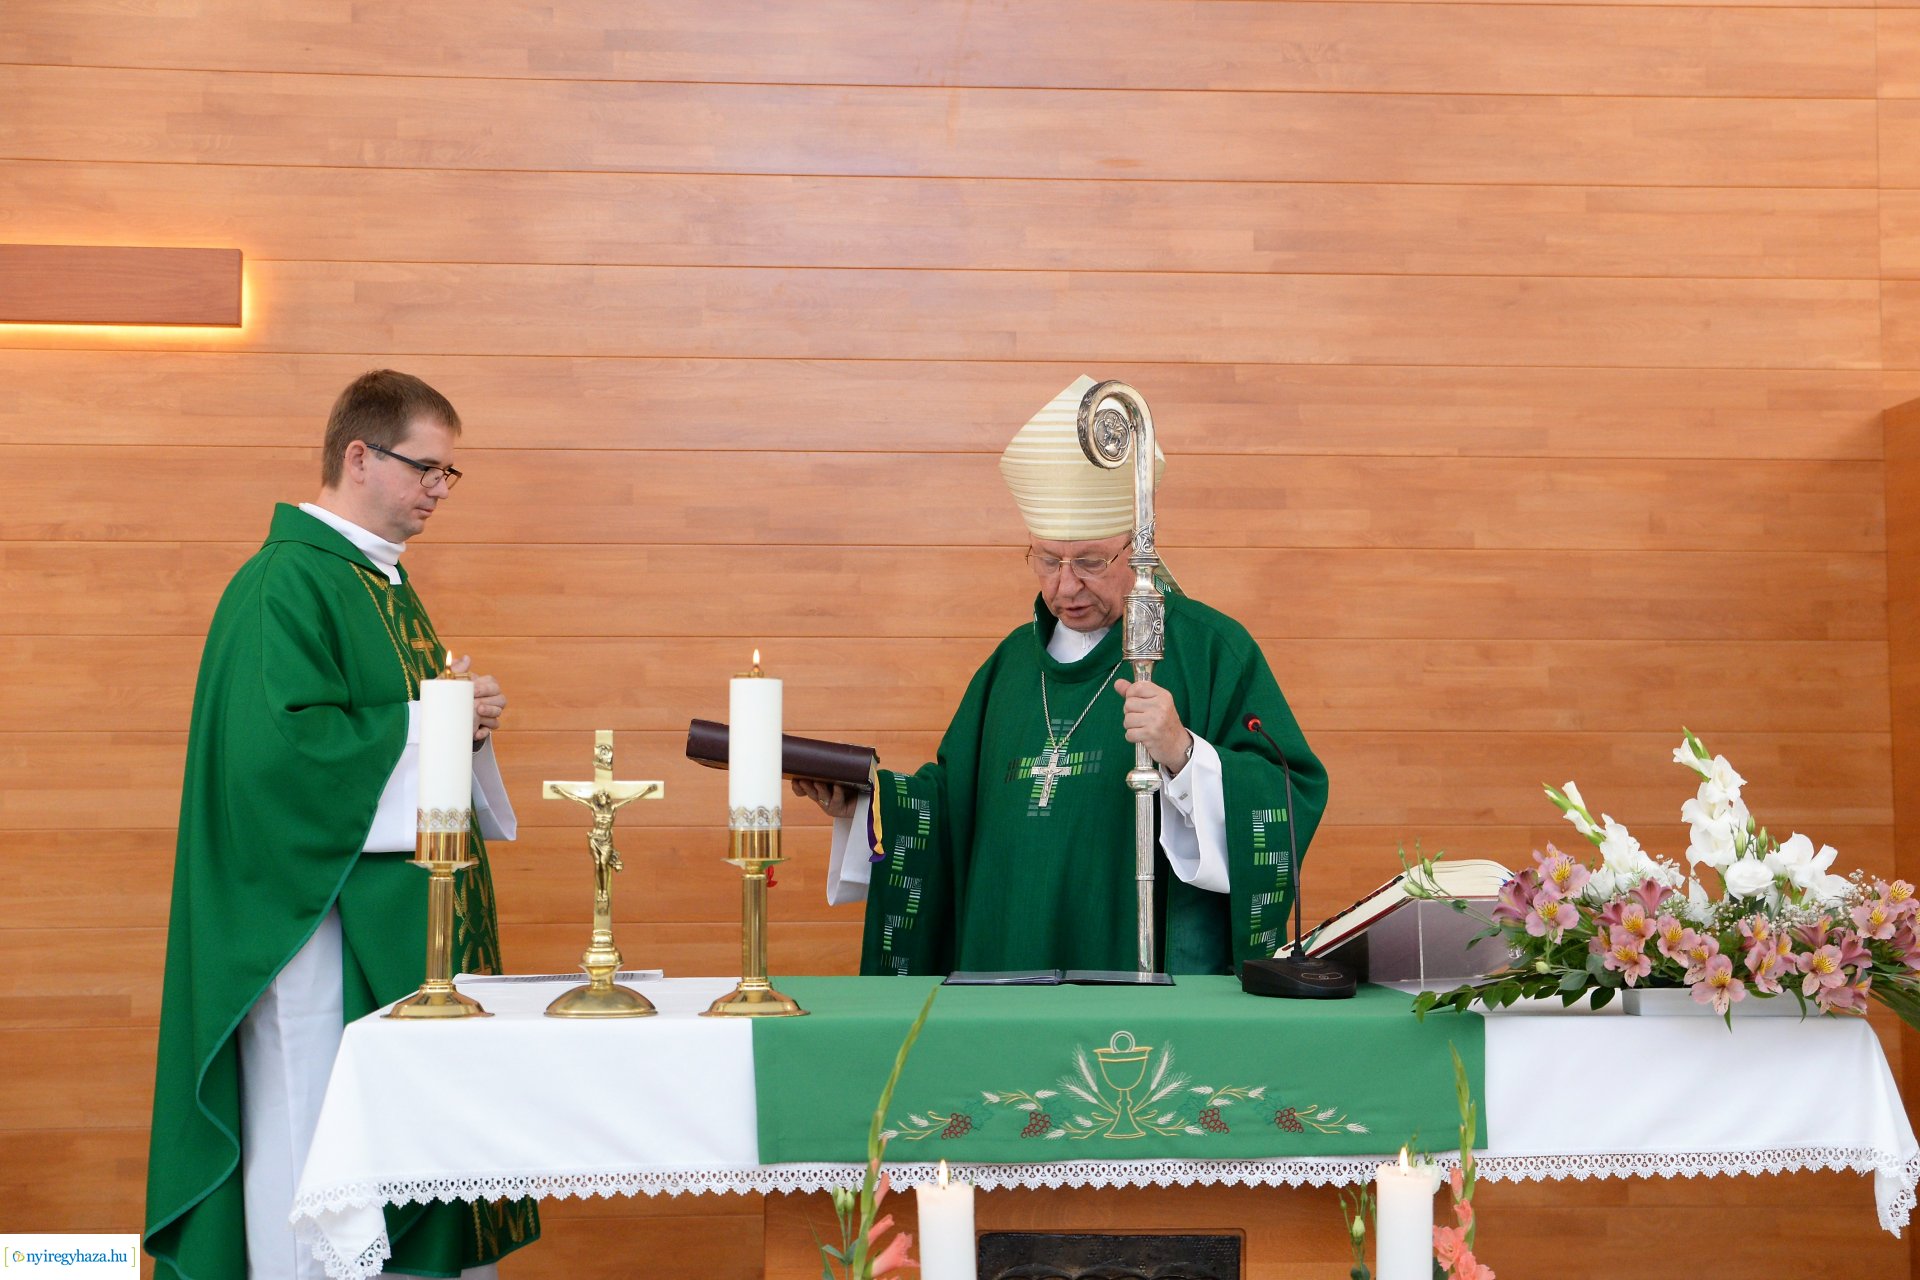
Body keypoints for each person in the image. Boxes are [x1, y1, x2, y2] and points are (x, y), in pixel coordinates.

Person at [144, 371, 539, 1279]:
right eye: (425, 468)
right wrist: (434, 721)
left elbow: (394, 729)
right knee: (315, 1144)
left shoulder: (380, 582)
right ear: (358, 456)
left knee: (387, 1143)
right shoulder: (284, 582)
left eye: (449, 474)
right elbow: (278, 758)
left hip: (385, 920)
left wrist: (460, 722)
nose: (440, 490)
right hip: (309, 932)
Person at [796, 376, 1329, 976]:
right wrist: (869, 806)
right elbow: (952, 810)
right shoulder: (1008, 666)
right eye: (1047, 560)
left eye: (1091, 562)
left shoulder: (1209, 650)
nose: (1066, 585)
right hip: (1003, 971)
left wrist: (1183, 754)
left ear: (1139, 552)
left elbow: (1288, 793)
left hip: (1138, 978)